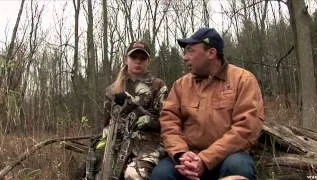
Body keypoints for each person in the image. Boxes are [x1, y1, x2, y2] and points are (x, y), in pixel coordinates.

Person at [150, 27, 264, 180]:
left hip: (228, 156)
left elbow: (247, 128)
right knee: (161, 174)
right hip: (189, 158)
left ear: (211, 53)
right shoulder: (181, 85)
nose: (185, 57)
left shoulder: (242, 79)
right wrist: (181, 154)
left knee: (239, 168)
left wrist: (205, 159)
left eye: (190, 50)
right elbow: (169, 123)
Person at [86, 40, 167, 180]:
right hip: (118, 144)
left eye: (142, 58)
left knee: (133, 174)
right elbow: (106, 125)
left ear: (148, 61)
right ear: (126, 59)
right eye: (134, 57)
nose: (138, 61)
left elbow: (168, 122)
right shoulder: (112, 90)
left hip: (149, 144)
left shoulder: (158, 86)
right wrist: (102, 146)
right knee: (98, 172)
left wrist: (151, 122)